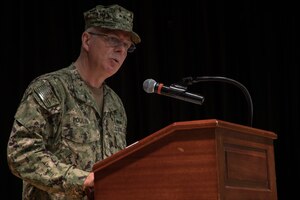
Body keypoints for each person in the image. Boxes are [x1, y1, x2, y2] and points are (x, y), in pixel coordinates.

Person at [7, 4, 141, 200]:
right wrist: (81, 181)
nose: (121, 49)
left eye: (127, 44)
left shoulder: (115, 104)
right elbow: (21, 153)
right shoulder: (51, 89)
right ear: (87, 40)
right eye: (113, 39)